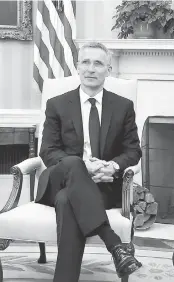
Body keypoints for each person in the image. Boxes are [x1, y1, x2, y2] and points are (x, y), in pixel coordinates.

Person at [36, 42, 142, 282]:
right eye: (85, 62)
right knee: (74, 164)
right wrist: (84, 168)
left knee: (67, 201)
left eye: (98, 63)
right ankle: (114, 243)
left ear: (108, 69)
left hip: (101, 187)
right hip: (57, 181)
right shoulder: (58, 104)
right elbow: (48, 150)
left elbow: (133, 150)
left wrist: (111, 166)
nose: (91, 69)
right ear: (77, 67)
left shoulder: (123, 106)